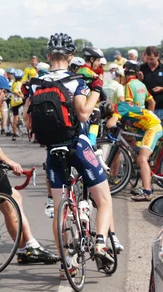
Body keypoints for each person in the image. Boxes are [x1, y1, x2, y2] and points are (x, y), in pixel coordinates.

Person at [23, 33, 122, 278]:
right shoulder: (74, 80)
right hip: (76, 145)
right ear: (69, 57)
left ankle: (67, 263)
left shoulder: (36, 83)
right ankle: (100, 241)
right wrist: (96, 91)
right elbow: (84, 114)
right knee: (104, 199)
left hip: (52, 150)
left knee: (60, 211)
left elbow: (27, 119)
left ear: (48, 56)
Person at [0, 75, 59, 265]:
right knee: (11, 203)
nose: (3, 101)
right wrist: (6, 160)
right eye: (4, 96)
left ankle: (25, 248)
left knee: (13, 200)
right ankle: (29, 247)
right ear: (1, 91)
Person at [106, 100, 163, 201]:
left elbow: (110, 124)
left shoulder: (119, 108)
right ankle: (147, 171)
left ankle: (147, 192)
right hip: (146, 127)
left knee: (142, 158)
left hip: (152, 127)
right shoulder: (122, 106)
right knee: (125, 138)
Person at [140, 46, 163, 121]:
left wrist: (162, 88)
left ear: (157, 56)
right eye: (148, 59)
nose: (149, 62)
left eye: (152, 59)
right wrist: (139, 79)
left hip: (161, 107)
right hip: (146, 108)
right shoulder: (141, 68)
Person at [10, 69, 25, 140]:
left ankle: (14, 133)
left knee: (15, 118)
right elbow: (16, 91)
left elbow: (13, 90)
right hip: (20, 101)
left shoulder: (13, 83)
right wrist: (21, 96)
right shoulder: (19, 83)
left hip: (14, 102)